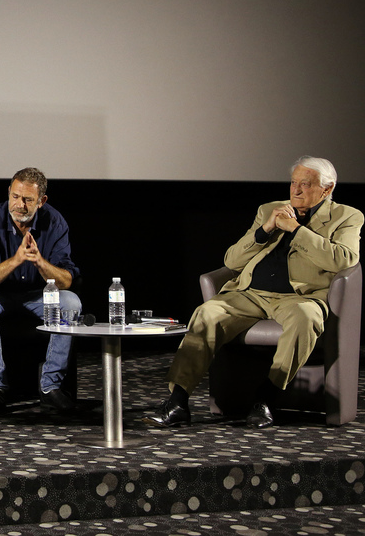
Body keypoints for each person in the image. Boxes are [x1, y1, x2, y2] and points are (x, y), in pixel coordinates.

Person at [147, 156, 362, 429]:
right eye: (293, 183)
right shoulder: (270, 210)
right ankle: (177, 401)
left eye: (305, 185)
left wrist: (296, 230)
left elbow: (344, 260)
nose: (295, 190)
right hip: (250, 293)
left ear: (327, 189)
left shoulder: (347, 216)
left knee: (305, 318)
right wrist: (265, 229)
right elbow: (232, 261)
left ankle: (266, 398)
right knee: (206, 313)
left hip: (300, 298)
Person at [0, 167, 82, 415]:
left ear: (41, 201)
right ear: (9, 192)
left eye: (28, 199)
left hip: (39, 296)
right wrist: (16, 260)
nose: (19, 205)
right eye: (15, 196)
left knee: (71, 302)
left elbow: (66, 280)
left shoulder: (55, 222)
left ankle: (50, 387)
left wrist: (39, 262)